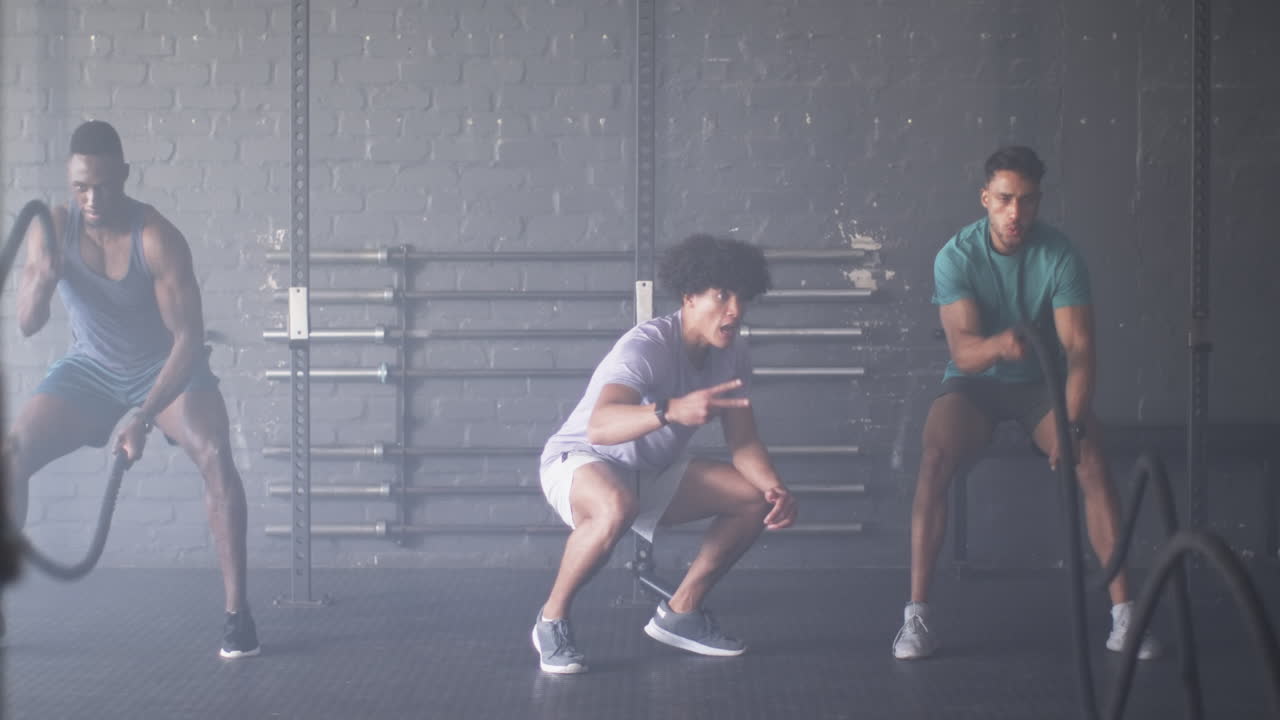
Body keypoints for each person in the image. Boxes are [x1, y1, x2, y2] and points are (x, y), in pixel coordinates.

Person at [892, 146, 1161, 661]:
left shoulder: (1060, 254)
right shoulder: (956, 256)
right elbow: (964, 354)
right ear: (986, 198)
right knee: (935, 457)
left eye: (1028, 201)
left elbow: (1081, 351)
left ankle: (1125, 615)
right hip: (977, 386)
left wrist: (1074, 424)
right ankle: (917, 617)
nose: (1016, 213)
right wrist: (999, 345)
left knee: (1091, 458)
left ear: (1039, 202)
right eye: (1006, 199)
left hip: (1042, 386)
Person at [5, 120, 259, 658]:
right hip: (89, 370)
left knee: (215, 455)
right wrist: (42, 279)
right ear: (69, 182)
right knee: (10, 458)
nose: (92, 199)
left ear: (124, 175)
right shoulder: (51, 226)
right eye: (80, 187)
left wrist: (142, 417)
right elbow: (27, 323)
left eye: (102, 184)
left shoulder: (156, 237)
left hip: (165, 367)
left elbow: (188, 339)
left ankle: (238, 616)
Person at [532, 234, 799, 674]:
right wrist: (669, 411)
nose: (735, 309)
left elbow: (744, 443)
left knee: (752, 499)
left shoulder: (733, 354)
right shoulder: (646, 346)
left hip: (648, 469)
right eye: (722, 295)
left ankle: (681, 612)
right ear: (690, 296)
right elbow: (601, 425)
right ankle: (551, 619)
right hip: (580, 460)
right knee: (616, 505)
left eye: (742, 296)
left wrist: (775, 487)